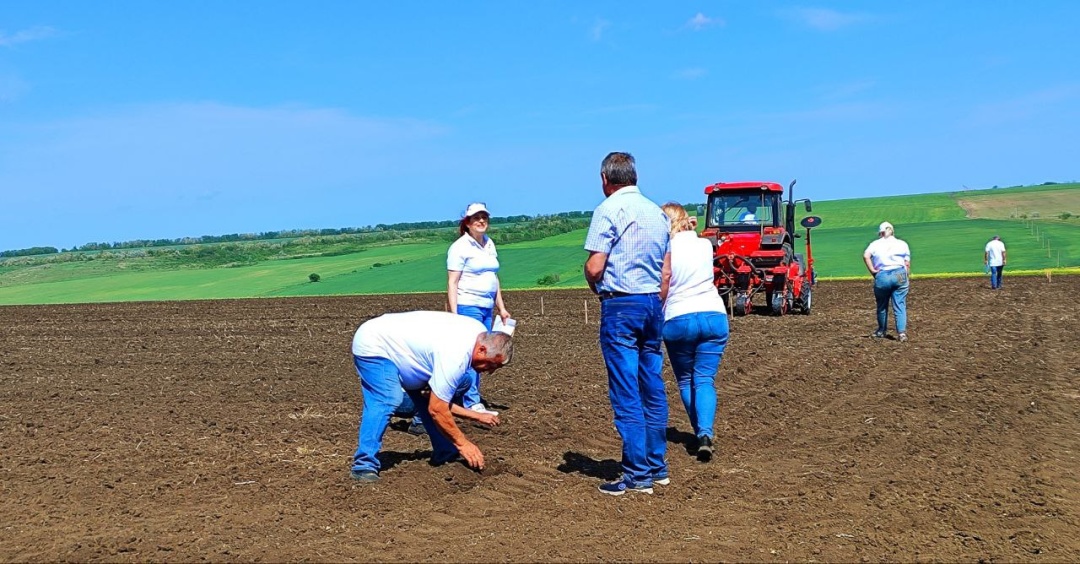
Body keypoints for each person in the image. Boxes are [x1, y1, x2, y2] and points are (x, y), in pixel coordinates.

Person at [583, 151, 672, 495]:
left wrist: (596, 287)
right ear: (634, 176)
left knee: (626, 390)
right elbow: (665, 272)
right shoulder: (657, 213)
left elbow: (594, 267)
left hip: (622, 304)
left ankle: (636, 475)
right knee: (652, 385)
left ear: (605, 179)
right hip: (653, 303)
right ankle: (657, 465)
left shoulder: (608, 210)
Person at [349, 311, 513, 482]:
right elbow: (438, 408)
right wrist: (463, 443)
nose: (491, 371)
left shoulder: (480, 334)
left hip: (410, 356)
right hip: (375, 344)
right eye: (492, 364)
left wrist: (476, 416)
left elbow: (435, 400)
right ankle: (363, 464)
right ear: (481, 349)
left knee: (459, 383)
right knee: (387, 399)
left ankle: (445, 452)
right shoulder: (456, 354)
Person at [659, 203, 729, 463]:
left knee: (686, 380)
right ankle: (705, 434)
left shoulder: (664, 248)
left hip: (678, 317)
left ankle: (699, 433)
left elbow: (664, 280)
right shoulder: (704, 245)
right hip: (713, 315)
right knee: (704, 380)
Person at [446, 202, 510, 414]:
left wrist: (501, 307)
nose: (481, 221)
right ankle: (472, 401)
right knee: (475, 354)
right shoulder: (460, 248)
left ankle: (465, 396)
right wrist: (455, 315)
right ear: (467, 222)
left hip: (486, 307)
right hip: (468, 306)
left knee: (483, 355)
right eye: (476, 218)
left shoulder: (489, 244)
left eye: (484, 217)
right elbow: (453, 282)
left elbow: (493, 277)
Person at [863, 221, 911, 342]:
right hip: (900, 274)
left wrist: (873, 271)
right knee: (900, 304)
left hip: (883, 275)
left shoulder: (875, 244)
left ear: (881, 232)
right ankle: (901, 333)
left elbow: (866, 256)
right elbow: (906, 263)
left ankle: (881, 331)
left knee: (882, 305)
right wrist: (906, 277)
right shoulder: (902, 244)